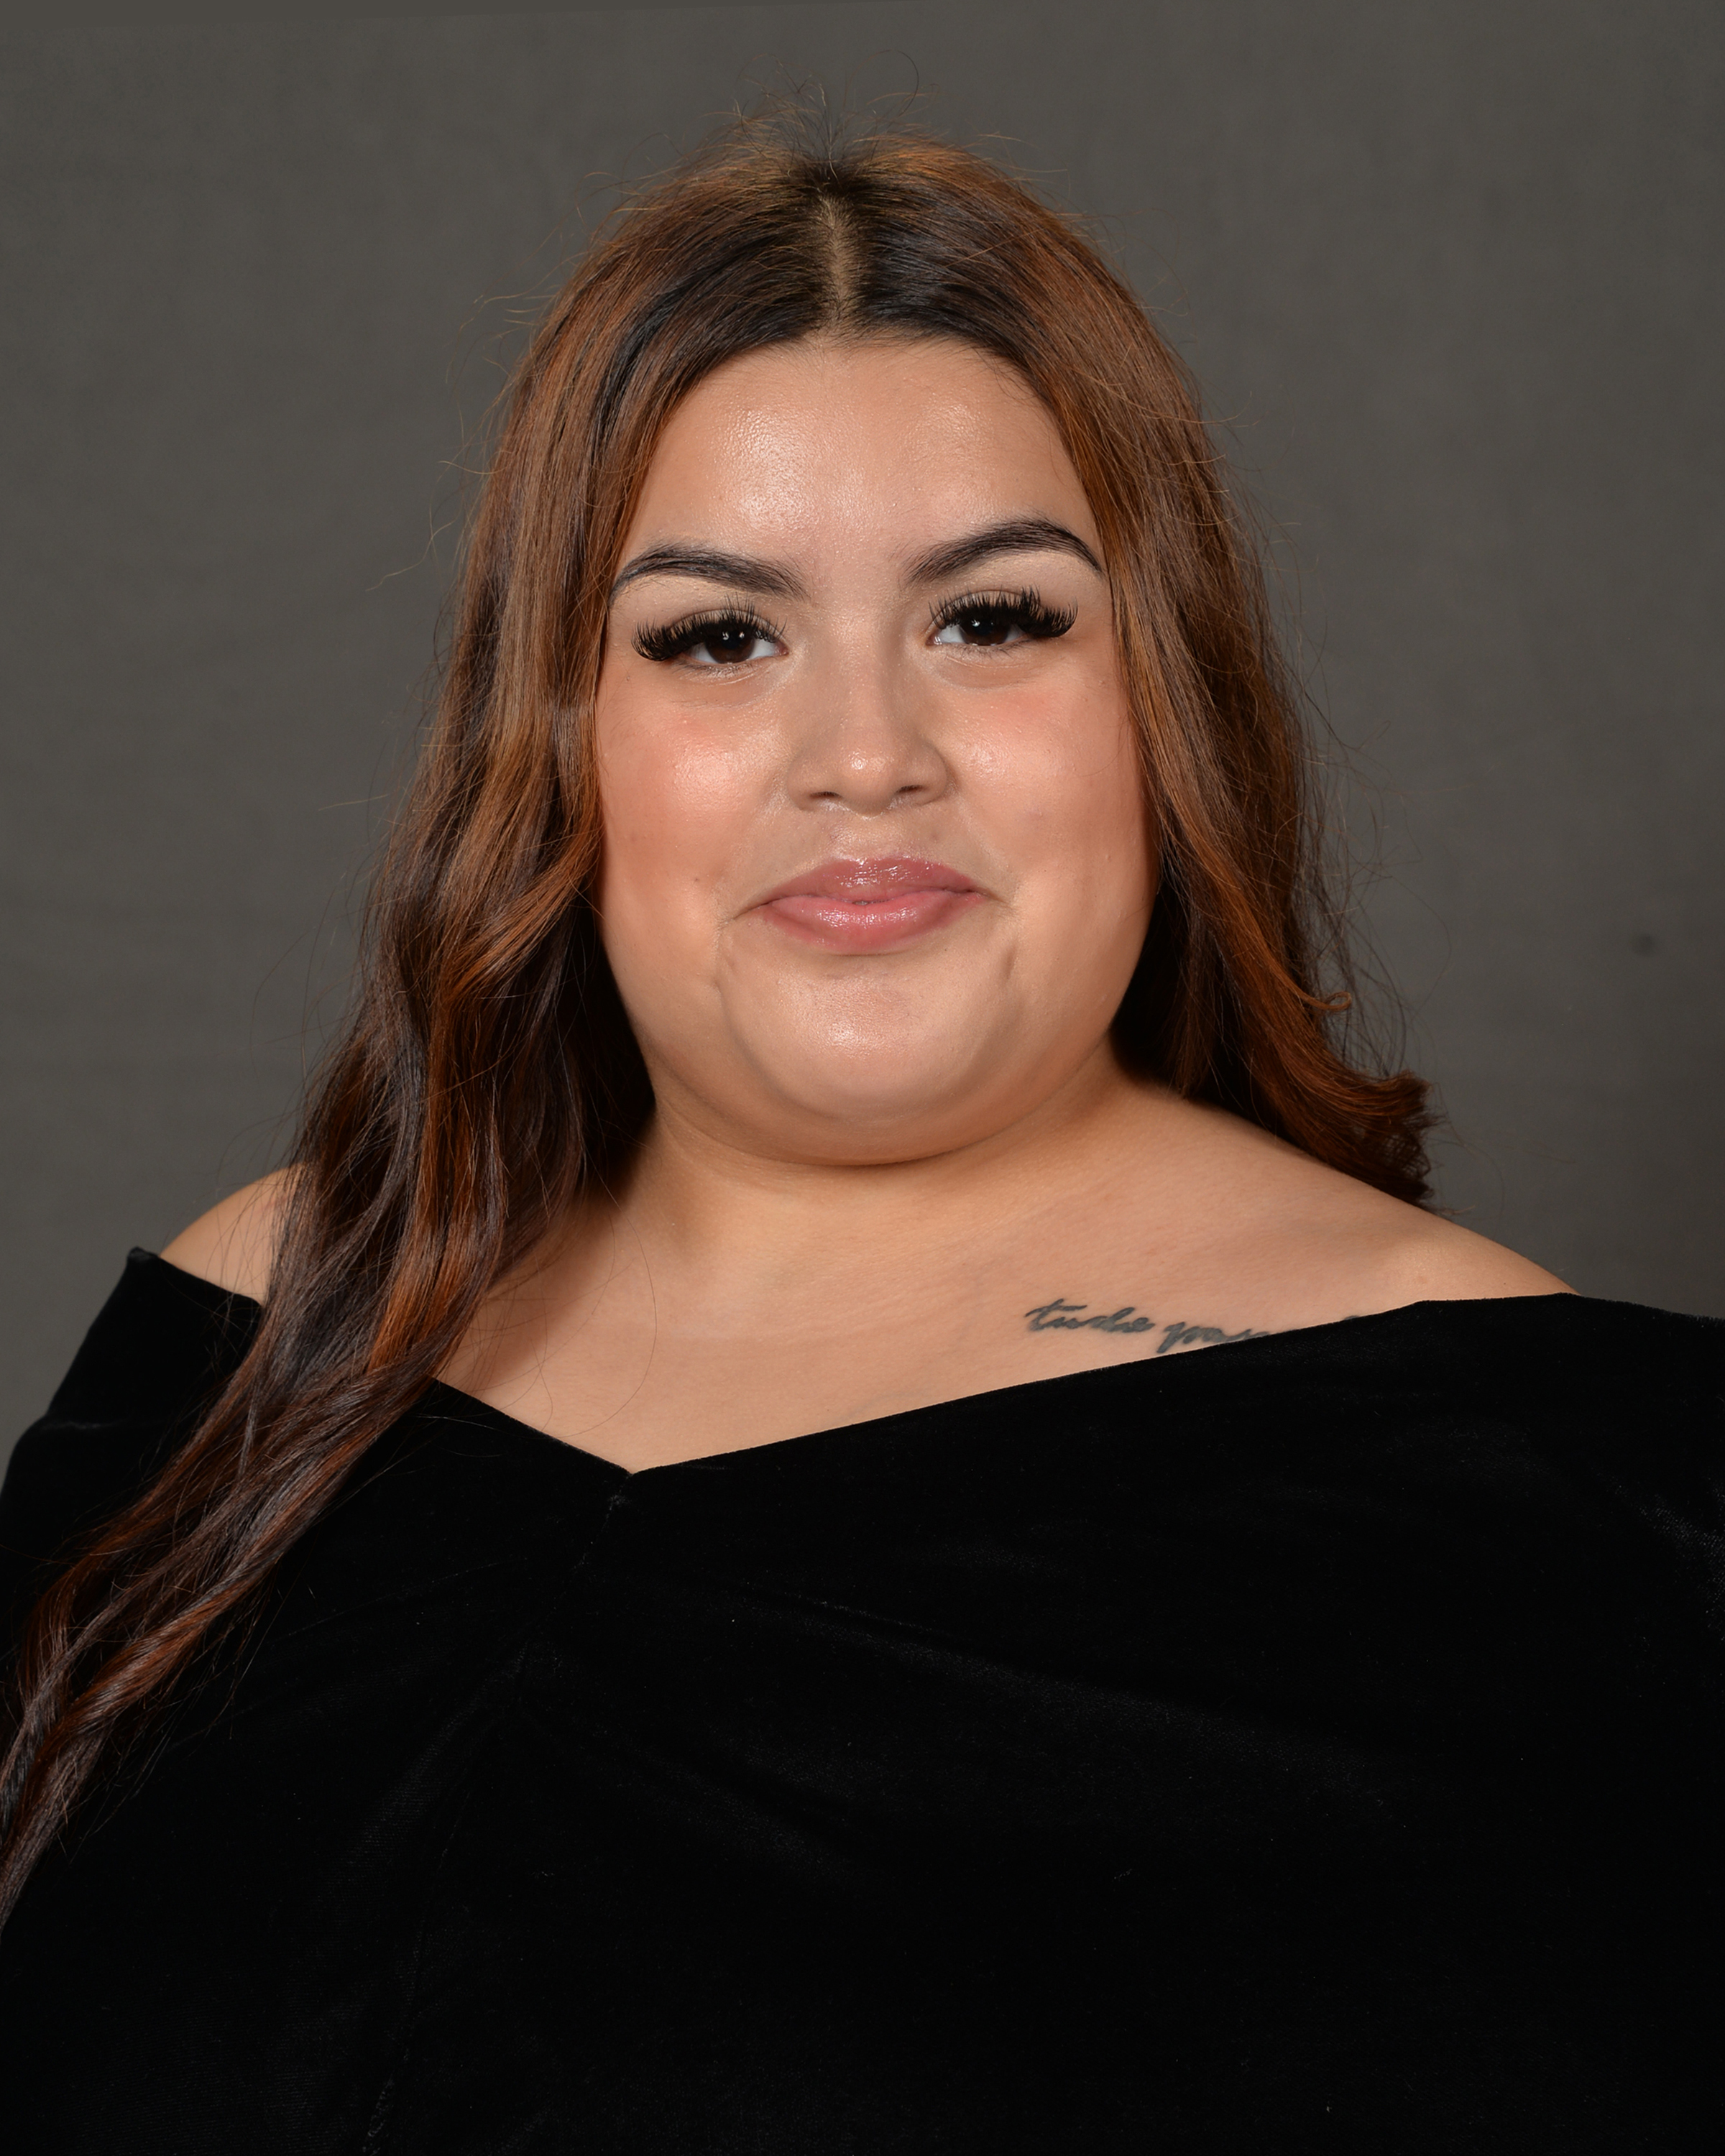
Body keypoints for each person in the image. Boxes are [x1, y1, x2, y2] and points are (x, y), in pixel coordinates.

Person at [1, 114, 1720, 2153]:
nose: (864, 758)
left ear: (1163, 698)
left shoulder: (1554, 1484)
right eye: (717, 638)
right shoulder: (275, 1323)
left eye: (992, 619)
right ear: (558, 743)